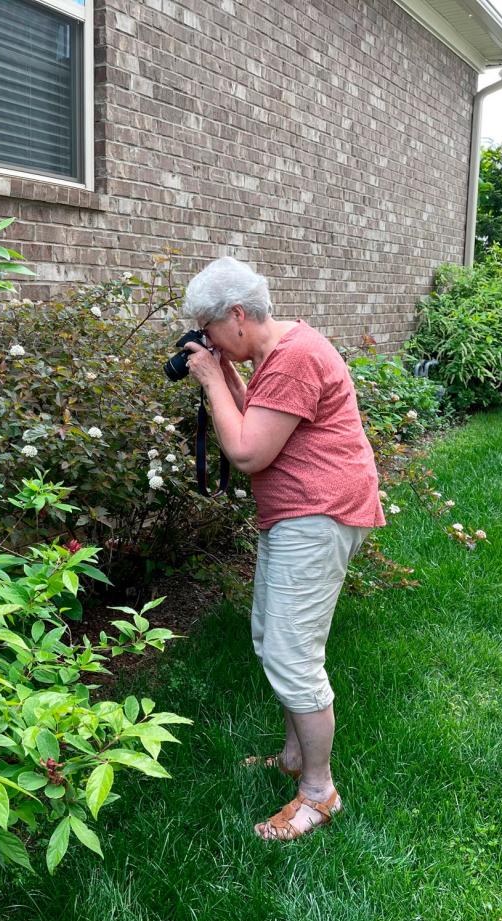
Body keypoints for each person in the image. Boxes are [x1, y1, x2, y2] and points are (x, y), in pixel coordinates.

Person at [182, 257, 385, 841]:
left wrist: (214, 382)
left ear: (237, 316)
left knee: (294, 655)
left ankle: (319, 794)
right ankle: (295, 758)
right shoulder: (279, 352)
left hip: (319, 514)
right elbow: (262, 422)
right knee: (276, 641)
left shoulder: (294, 357)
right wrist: (231, 380)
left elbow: (247, 453)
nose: (207, 340)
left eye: (208, 327)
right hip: (299, 513)